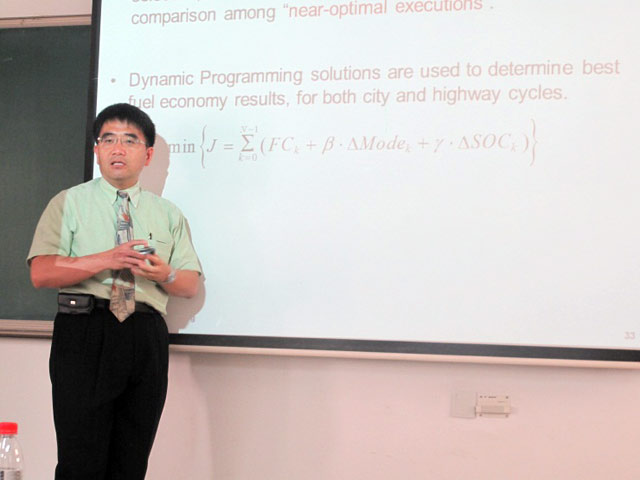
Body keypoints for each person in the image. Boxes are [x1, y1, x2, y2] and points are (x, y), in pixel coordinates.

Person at [27, 103, 201, 480]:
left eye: (129, 140)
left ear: (148, 155)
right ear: (97, 150)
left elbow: (189, 284)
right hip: (85, 330)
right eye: (108, 140)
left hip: (145, 334)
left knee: (131, 462)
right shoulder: (68, 202)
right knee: (80, 463)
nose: (117, 148)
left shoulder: (168, 213)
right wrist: (108, 258)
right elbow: (41, 272)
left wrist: (166, 273)